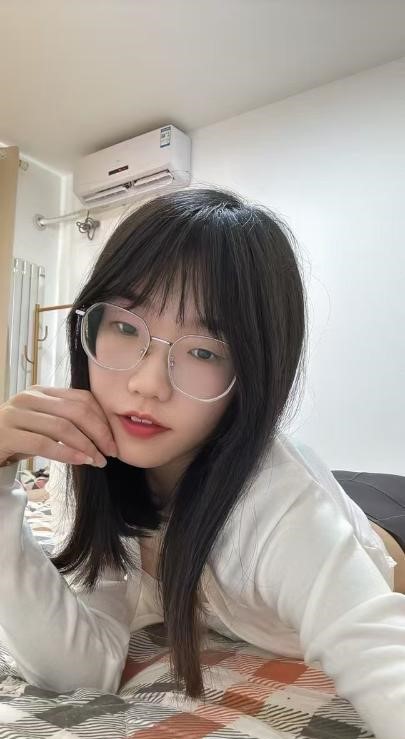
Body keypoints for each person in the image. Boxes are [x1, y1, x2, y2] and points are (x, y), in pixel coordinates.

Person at [0, 187, 404, 739]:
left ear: (253, 372)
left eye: (204, 351)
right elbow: (80, 669)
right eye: (126, 326)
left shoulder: (277, 508)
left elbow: (380, 655)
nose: (147, 383)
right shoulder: (89, 462)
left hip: (386, 518)